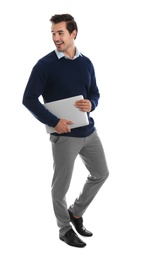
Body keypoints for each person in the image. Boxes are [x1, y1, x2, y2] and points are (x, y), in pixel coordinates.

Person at [22, 14, 109, 248]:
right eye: (53, 33)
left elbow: (95, 93)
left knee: (101, 173)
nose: (56, 38)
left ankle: (76, 213)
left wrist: (92, 104)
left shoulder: (86, 63)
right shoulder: (44, 65)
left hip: (89, 132)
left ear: (73, 34)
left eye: (60, 33)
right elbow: (28, 99)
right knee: (60, 189)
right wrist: (53, 121)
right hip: (64, 137)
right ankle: (64, 229)